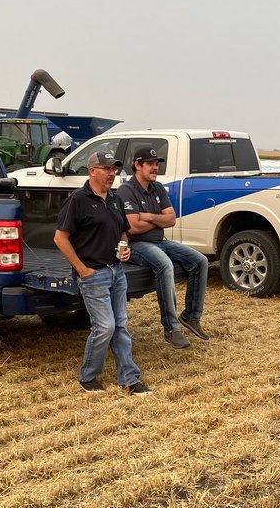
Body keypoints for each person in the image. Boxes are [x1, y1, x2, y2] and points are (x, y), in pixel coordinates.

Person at [53, 150, 150, 395]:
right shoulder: (78, 199)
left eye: (114, 169)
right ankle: (88, 376)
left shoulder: (115, 199)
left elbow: (123, 231)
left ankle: (129, 379)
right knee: (105, 327)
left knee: (120, 326)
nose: (112, 173)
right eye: (107, 169)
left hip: (116, 271)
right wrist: (82, 270)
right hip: (93, 274)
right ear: (92, 171)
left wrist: (124, 248)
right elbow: (60, 238)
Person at [118, 147, 211, 349]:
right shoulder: (127, 190)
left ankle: (191, 316)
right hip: (136, 244)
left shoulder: (158, 188)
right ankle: (171, 328)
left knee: (200, 261)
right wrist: (159, 220)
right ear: (137, 165)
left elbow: (171, 219)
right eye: (150, 164)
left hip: (159, 241)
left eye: (156, 164)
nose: (155, 168)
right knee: (164, 265)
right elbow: (133, 226)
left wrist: (149, 216)